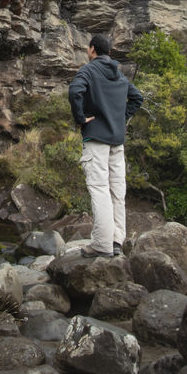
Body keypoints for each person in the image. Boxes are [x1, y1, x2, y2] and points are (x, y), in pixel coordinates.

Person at [67, 33, 144, 258]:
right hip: (117, 142)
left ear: (92, 50)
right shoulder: (119, 75)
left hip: (96, 140)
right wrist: (120, 119)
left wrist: (81, 118)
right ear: (109, 52)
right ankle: (116, 240)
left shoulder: (88, 70)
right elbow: (137, 98)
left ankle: (101, 244)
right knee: (117, 191)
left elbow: (74, 92)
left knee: (99, 188)